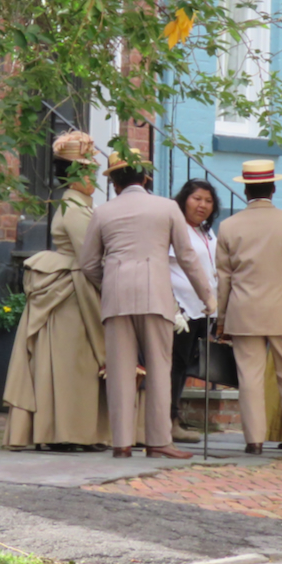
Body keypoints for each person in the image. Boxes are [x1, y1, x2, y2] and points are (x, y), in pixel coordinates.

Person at [79, 149, 216, 459]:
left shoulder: (102, 212)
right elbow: (187, 257)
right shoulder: (167, 207)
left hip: (117, 295)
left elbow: (88, 264)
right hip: (156, 294)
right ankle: (158, 441)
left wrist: (110, 281)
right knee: (159, 367)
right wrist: (207, 296)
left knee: (119, 370)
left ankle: (121, 443)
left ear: (114, 183)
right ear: (145, 178)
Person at [2, 132, 108, 450]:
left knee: (76, 363)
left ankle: (76, 432)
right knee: (70, 363)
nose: (94, 177)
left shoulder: (80, 206)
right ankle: (64, 432)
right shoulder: (74, 208)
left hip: (73, 290)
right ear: (74, 175)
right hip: (70, 293)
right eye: (88, 171)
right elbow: (90, 258)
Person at [214, 160, 282, 458]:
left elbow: (223, 279)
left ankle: (254, 440)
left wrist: (222, 318)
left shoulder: (229, 226)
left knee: (250, 377)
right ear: (273, 189)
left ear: (246, 190)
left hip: (243, 310)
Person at [167, 179, 221, 445]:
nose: (202, 205)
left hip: (202, 310)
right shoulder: (176, 229)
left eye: (208, 201)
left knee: (187, 365)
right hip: (182, 309)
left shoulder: (206, 232)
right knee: (175, 365)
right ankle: (169, 422)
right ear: (184, 199)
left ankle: (174, 416)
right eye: (197, 199)